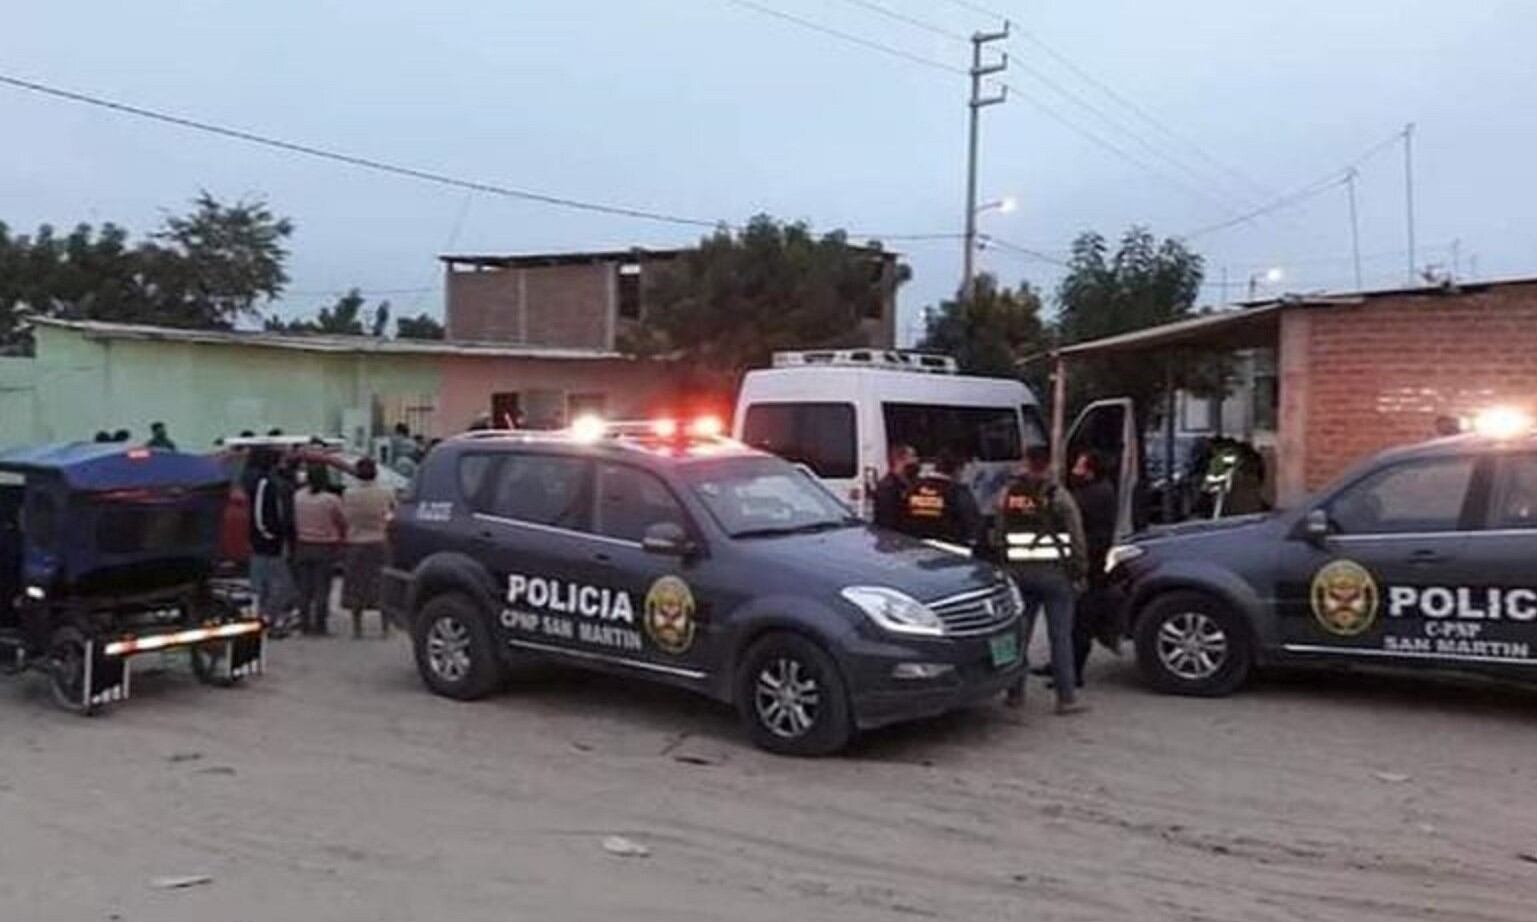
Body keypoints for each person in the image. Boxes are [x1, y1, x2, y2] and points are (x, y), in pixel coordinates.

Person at [998, 445, 1090, 715]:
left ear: (1026, 462)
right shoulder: (1058, 496)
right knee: (1060, 637)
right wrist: (1080, 572)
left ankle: (1014, 693)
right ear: (1049, 464)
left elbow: (999, 533)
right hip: (1054, 575)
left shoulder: (1009, 495)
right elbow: (1077, 537)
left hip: (1019, 574)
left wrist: (1007, 566)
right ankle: (1066, 698)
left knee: (1020, 637)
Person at [1067, 450, 1119, 682]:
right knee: (1073, 618)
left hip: (1089, 562)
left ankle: (1074, 671)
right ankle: (1064, 664)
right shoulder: (1099, 490)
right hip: (1092, 559)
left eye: (1079, 468)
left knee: (1080, 619)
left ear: (1090, 472)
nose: (1074, 472)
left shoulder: (1091, 496)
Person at [341, 458, 396, 639]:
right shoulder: (385, 493)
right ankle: (385, 628)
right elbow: (394, 513)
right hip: (379, 541)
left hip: (356, 542)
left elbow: (344, 517)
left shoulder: (349, 494)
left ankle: (358, 629)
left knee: (356, 586)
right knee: (382, 585)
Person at [246, 447, 298, 637]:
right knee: (279, 586)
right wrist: (269, 533)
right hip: (267, 542)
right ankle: (267, 621)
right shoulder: (264, 484)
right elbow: (260, 513)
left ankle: (266, 622)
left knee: (266, 586)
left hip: (269, 541)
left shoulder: (266, 483)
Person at [292, 462, 348, 636]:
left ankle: (304, 624)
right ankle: (320, 625)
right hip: (325, 546)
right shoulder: (331, 500)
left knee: (304, 588)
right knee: (322, 588)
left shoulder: (298, 497)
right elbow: (342, 521)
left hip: (302, 544)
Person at [899, 448, 983, 549]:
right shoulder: (956, 492)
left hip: (914, 549)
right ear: (957, 469)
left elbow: (902, 517)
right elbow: (972, 523)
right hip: (949, 551)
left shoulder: (913, 489)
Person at [873, 443, 919, 530]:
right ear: (899, 460)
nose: (916, 460)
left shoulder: (906, 484)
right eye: (913, 457)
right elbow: (887, 521)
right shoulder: (888, 487)